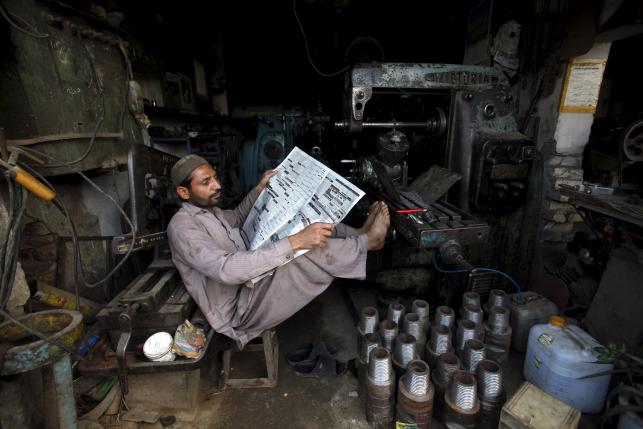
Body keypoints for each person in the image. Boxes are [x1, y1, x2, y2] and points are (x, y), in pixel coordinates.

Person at [167, 154, 390, 348]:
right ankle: (370, 243)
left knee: (307, 219)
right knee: (308, 248)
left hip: (250, 284)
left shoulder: (209, 211)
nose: (216, 185)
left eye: (214, 177)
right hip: (240, 309)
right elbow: (225, 269)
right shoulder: (182, 228)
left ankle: (359, 234)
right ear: (183, 192)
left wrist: (259, 189)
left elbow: (235, 217)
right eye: (206, 182)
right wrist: (295, 241)